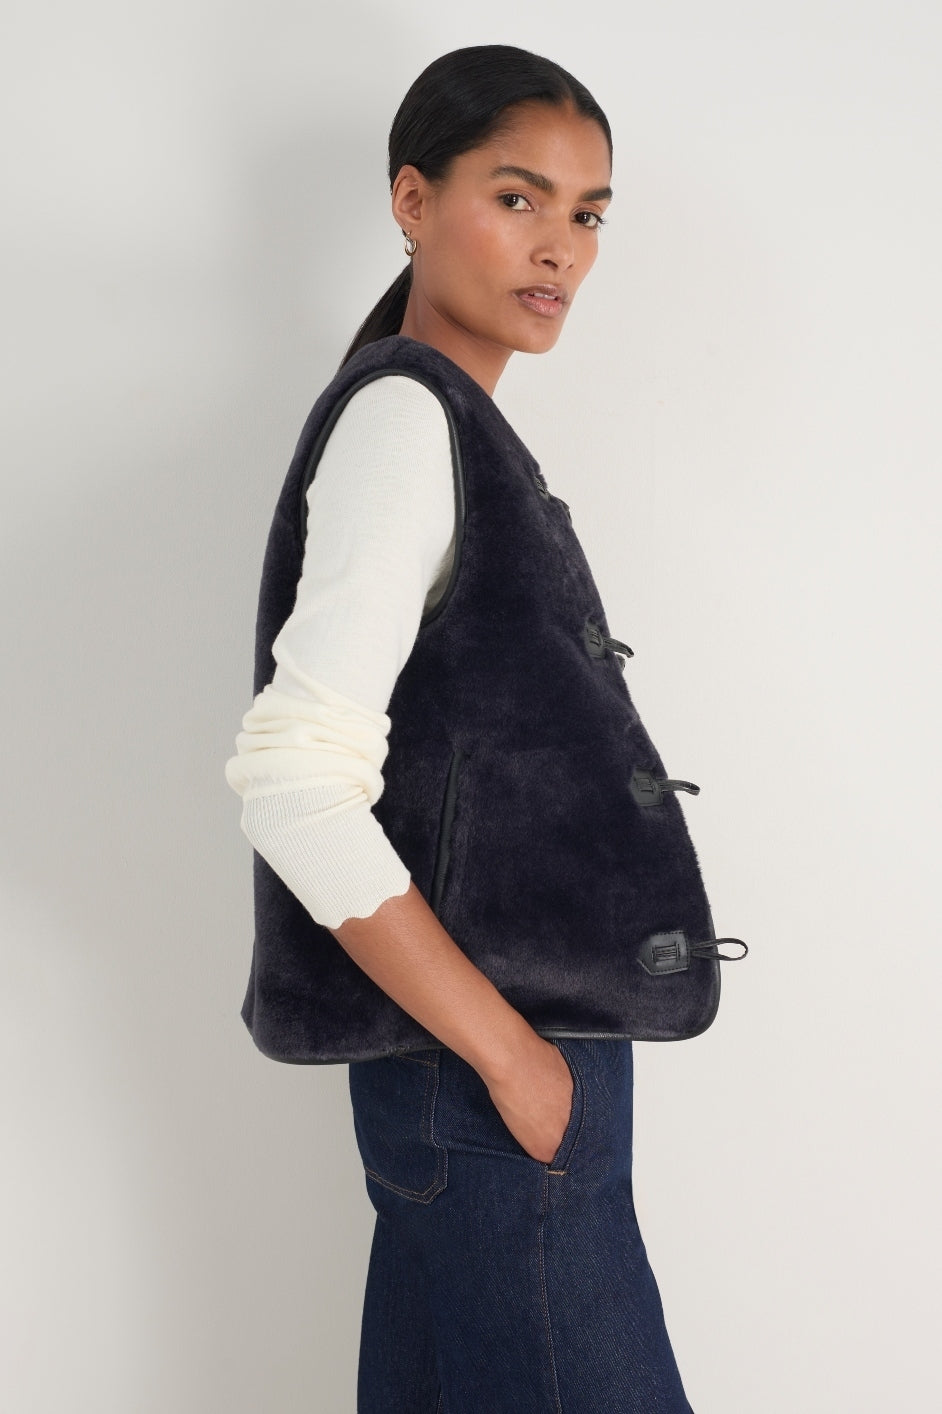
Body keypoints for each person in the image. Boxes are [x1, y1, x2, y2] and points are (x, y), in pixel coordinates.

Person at [225, 43, 744, 1413]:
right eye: (517, 198)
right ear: (412, 200)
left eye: (587, 213)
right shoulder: (407, 423)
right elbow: (292, 781)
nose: (559, 247)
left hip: (477, 1073)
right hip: (487, 1068)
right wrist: (511, 1057)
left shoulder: (439, 422)